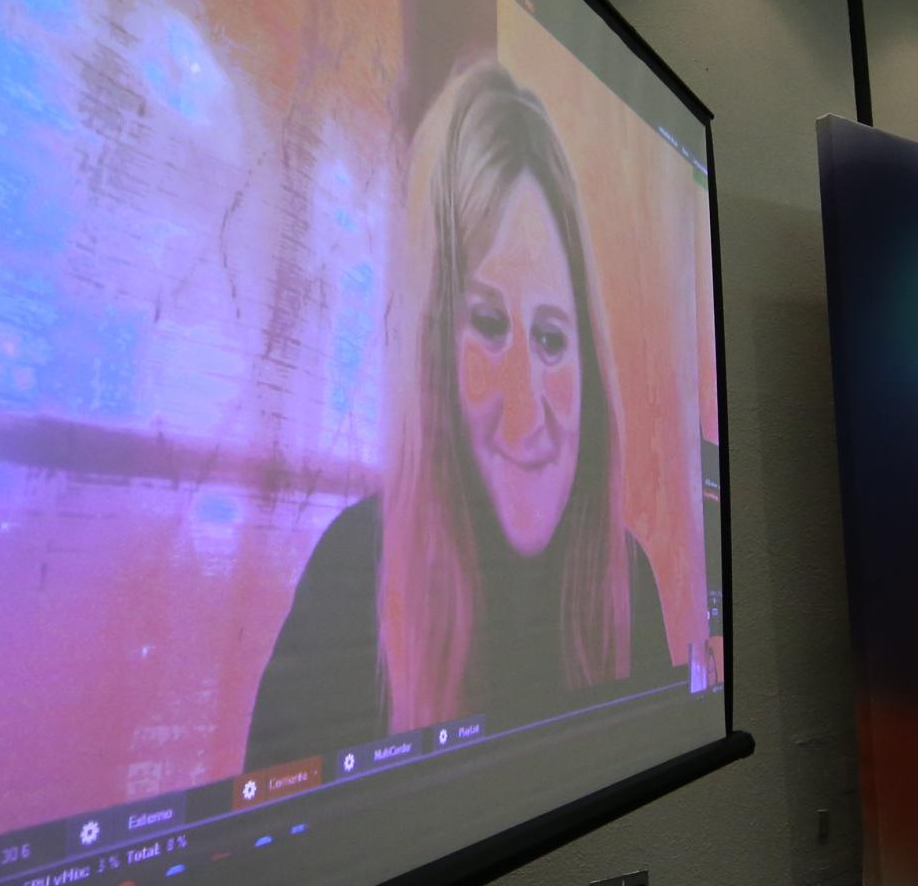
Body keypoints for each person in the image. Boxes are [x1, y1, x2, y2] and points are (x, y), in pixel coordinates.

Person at [245, 61, 671, 772]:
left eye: (552, 338)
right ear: (435, 349)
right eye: (488, 324)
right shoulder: (353, 578)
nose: (526, 411)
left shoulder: (627, 582)